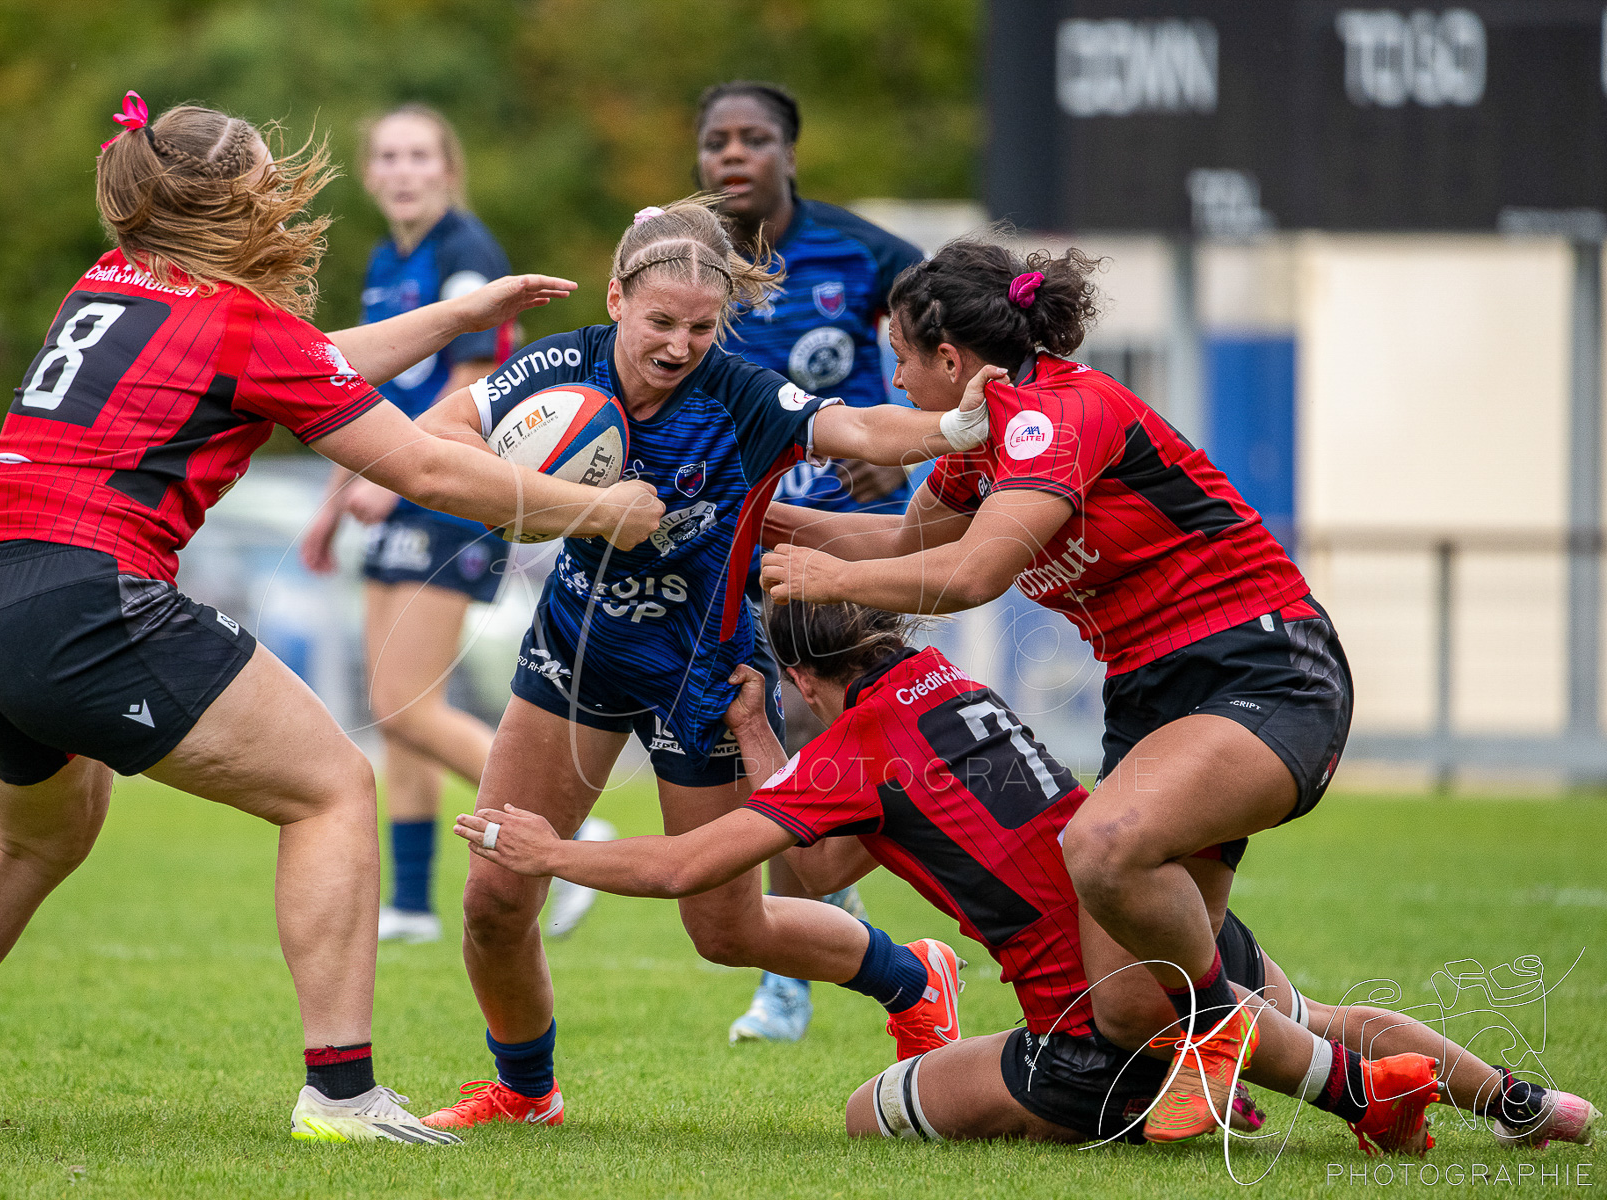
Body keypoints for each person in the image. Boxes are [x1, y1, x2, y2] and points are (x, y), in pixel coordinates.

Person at [0, 93, 662, 1146]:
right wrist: (606, 512)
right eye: (268, 177)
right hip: (87, 598)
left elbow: (298, 363)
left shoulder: (108, 284)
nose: (281, 191)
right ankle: (343, 1093)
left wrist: (453, 318)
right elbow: (421, 468)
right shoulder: (240, 324)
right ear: (235, 199)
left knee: (35, 837)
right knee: (330, 790)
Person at [458, 601, 1598, 1153]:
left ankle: (1227, 1085)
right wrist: (763, 736)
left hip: (1090, 1014)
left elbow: (693, 864)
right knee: (1315, 1011)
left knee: (872, 1118)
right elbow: (824, 863)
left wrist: (551, 850)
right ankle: (1525, 1105)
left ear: (803, 671)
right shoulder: (944, 683)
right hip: (1160, 911)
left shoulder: (855, 753)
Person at [410, 195, 994, 1130]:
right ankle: (526, 1092)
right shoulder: (566, 366)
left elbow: (854, 430)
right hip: (577, 650)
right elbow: (438, 435)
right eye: (660, 323)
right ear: (615, 300)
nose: (680, 344)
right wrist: (550, 497)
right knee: (493, 896)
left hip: (704, 681)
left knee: (728, 932)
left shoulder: (742, 395)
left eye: (700, 326)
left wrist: (950, 433)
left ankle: (911, 974)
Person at [758, 236, 1361, 1141]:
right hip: (1153, 695)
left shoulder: (1057, 413)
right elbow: (895, 548)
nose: (894, 374)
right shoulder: (982, 443)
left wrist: (818, 581)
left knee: (1105, 844)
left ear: (951, 359)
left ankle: (1218, 1044)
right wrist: (732, 513)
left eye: (899, 355)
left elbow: (966, 579)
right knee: (1125, 1006)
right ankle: (1510, 1100)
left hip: (1263, 665)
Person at [298, 104, 608, 945]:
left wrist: (389, 484)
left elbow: (473, 380)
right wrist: (336, 503)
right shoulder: (387, 258)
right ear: (371, 173)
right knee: (399, 703)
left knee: (402, 704)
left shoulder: (467, 253)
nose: (402, 169)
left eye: (419, 156)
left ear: (446, 168)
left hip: (438, 491)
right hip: (393, 487)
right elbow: (355, 397)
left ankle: (571, 837)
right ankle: (407, 902)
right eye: (389, 156)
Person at [696, 79, 925, 1044]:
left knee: (822, 720)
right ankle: (802, 960)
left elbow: (951, 342)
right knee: (774, 721)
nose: (732, 157)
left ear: (791, 151)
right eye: (716, 142)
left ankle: (825, 936)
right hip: (734, 533)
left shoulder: (862, 253)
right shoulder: (689, 261)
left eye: (753, 139)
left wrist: (900, 450)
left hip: (848, 540)